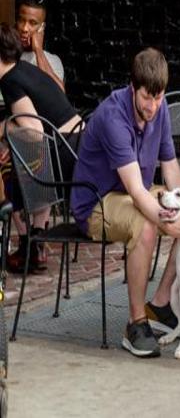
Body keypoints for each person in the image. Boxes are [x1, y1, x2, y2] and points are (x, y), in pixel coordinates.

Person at [70, 48, 180, 358]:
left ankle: (159, 303)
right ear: (133, 88)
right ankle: (136, 324)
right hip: (97, 203)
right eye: (147, 98)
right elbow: (137, 192)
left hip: (132, 194)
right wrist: (172, 224)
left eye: (159, 98)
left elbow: (170, 169)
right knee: (147, 225)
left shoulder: (161, 107)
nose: (153, 106)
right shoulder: (113, 116)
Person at [0, 24, 85, 272]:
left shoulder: (9, 81)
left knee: (8, 170)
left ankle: (30, 245)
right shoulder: (23, 70)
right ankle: (36, 241)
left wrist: (3, 130)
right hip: (77, 148)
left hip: (65, 154)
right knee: (26, 157)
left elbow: (34, 132)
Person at [15, 0, 65, 90]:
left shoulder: (52, 61)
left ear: (42, 28)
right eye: (21, 20)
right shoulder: (6, 55)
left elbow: (59, 95)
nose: (25, 28)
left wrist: (38, 50)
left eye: (32, 23)